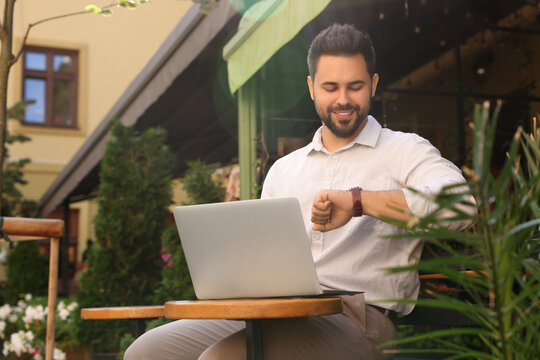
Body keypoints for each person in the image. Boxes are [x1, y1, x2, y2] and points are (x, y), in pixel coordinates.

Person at [125, 23, 476, 360]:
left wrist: (358, 201)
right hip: (277, 313)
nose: (343, 99)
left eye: (355, 86)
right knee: (146, 352)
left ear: (373, 84)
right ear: (311, 87)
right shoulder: (285, 169)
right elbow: (259, 261)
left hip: (358, 321)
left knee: (225, 357)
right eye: (330, 87)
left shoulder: (405, 150)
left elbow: (460, 205)